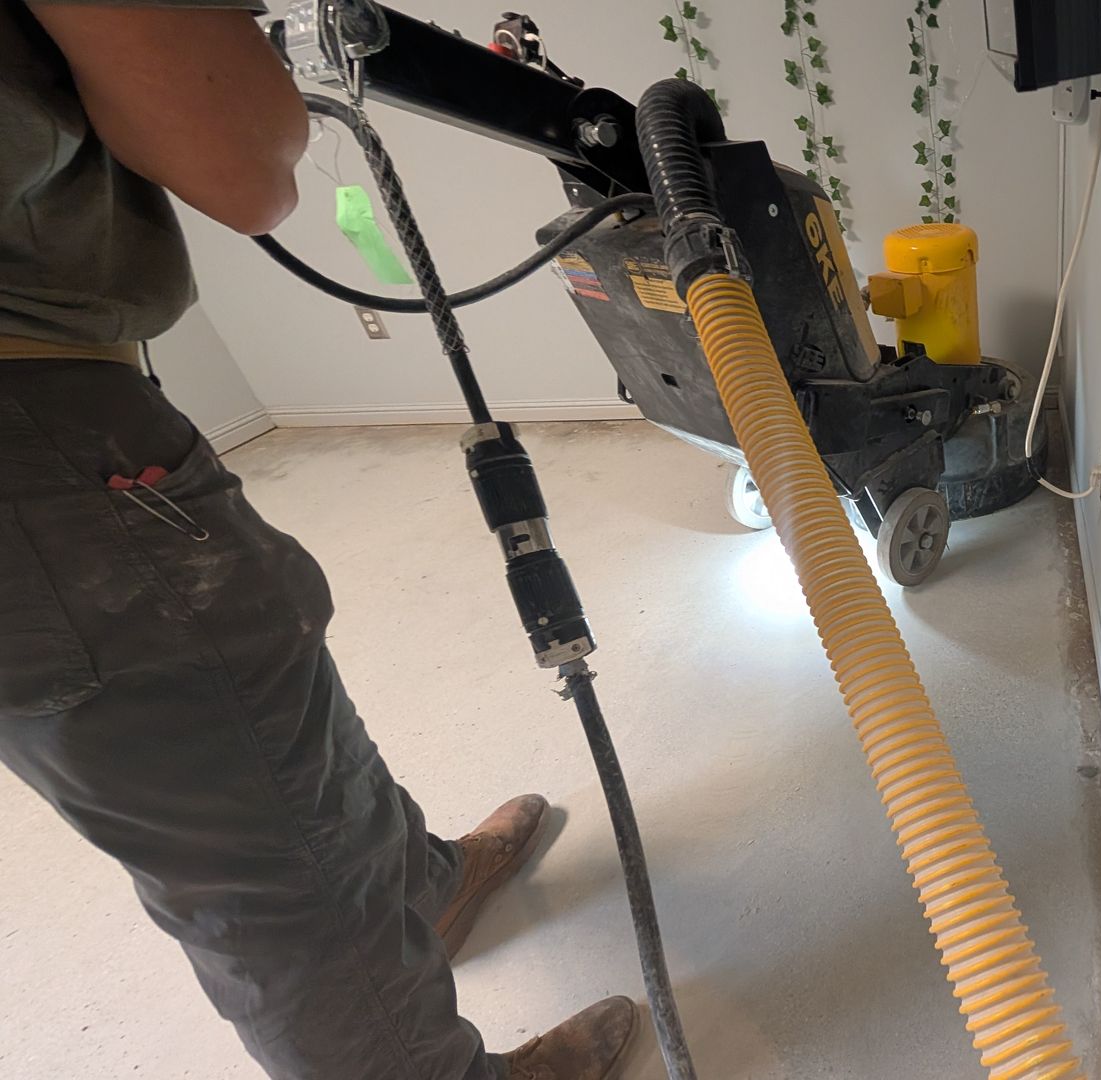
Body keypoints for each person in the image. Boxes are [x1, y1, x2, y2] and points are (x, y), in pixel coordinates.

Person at [0, 3, 642, 1077]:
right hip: (34, 434)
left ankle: (422, 890)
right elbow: (241, 160)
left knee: (256, 704)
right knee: (266, 867)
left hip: (47, 424)